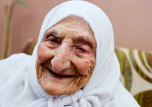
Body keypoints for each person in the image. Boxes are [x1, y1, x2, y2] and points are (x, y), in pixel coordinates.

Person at [0, 0, 140, 107]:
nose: (57, 64)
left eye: (81, 49)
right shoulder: (7, 72)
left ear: (100, 62)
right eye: (53, 40)